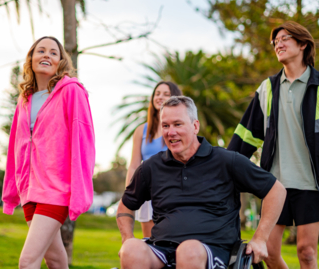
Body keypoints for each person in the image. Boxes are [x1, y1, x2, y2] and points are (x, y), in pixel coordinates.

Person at [227, 21, 319, 269]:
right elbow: (245, 137)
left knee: (306, 253)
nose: (279, 44)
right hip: (274, 186)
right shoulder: (267, 89)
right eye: (276, 41)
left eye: (285, 39)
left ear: (303, 44)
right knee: (268, 252)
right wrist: (219, 169)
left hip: (310, 183)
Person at [117, 96, 286, 269]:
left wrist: (260, 239)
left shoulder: (227, 161)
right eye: (165, 126)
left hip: (215, 251)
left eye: (178, 124)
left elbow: (276, 190)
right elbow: (125, 206)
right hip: (162, 249)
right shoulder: (151, 167)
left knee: (188, 251)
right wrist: (127, 238)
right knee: (130, 250)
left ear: (195, 126)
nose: (170, 132)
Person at [2, 36, 95, 269]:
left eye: (53, 52)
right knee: (54, 258)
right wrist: (14, 187)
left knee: (27, 261)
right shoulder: (24, 99)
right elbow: (16, 144)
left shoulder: (71, 91)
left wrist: (79, 187)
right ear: (31, 59)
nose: (46, 55)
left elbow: (83, 140)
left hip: (56, 188)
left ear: (60, 61)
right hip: (30, 189)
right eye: (40, 51)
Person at [126, 81, 182, 238]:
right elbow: (133, 165)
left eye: (166, 94)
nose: (160, 97)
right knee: (151, 241)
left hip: (172, 191)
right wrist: (129, 192)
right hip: (146, 192)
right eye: (157, 94)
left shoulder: (179, 129)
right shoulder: (141, 131)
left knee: (172, 239)